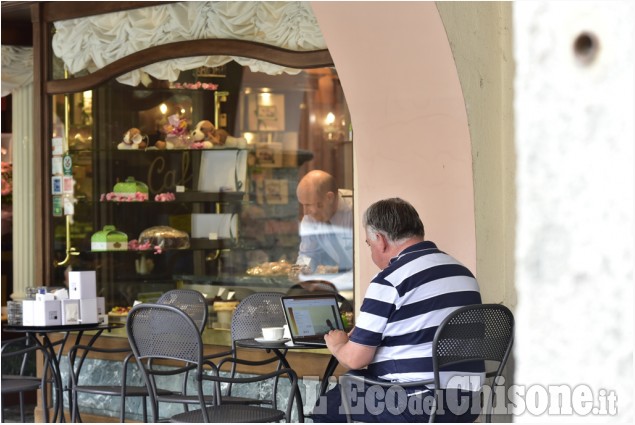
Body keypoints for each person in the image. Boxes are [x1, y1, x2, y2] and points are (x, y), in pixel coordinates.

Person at [311, 198, 483, 423]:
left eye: (368, 244)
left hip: (416, 403)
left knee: (330, 404)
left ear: (380, 241)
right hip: (467, 402)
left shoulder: (390, 280)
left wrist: (338, 345)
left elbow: (355, 359)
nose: (371, 251)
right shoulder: (463, 274)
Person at [294, 170, 353, 287]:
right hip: (339, 282)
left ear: (329, 198)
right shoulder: (310, 216)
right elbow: (309, 253)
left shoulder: (357, 210)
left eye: (309, 204)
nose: (305, 212)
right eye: (303, 205)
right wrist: (303, 272)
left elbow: (365, 264)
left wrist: (329, 284)